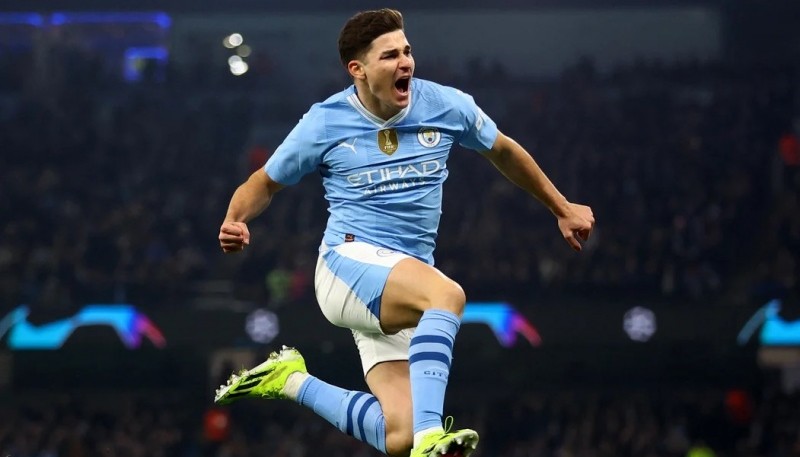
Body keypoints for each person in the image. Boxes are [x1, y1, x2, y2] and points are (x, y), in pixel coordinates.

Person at [214, 8, 595, 457]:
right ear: (358, 69)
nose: (406, 63)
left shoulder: (446, 104)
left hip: (403, 280)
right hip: (347, 266)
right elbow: (263, 182)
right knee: (447, 297)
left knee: (399, 436)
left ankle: (292, 381)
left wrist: (561, 207)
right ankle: (434, 434)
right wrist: (235, 218)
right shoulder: (324, 122)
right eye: (390, 55)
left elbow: (505, 152)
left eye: (407, 51)